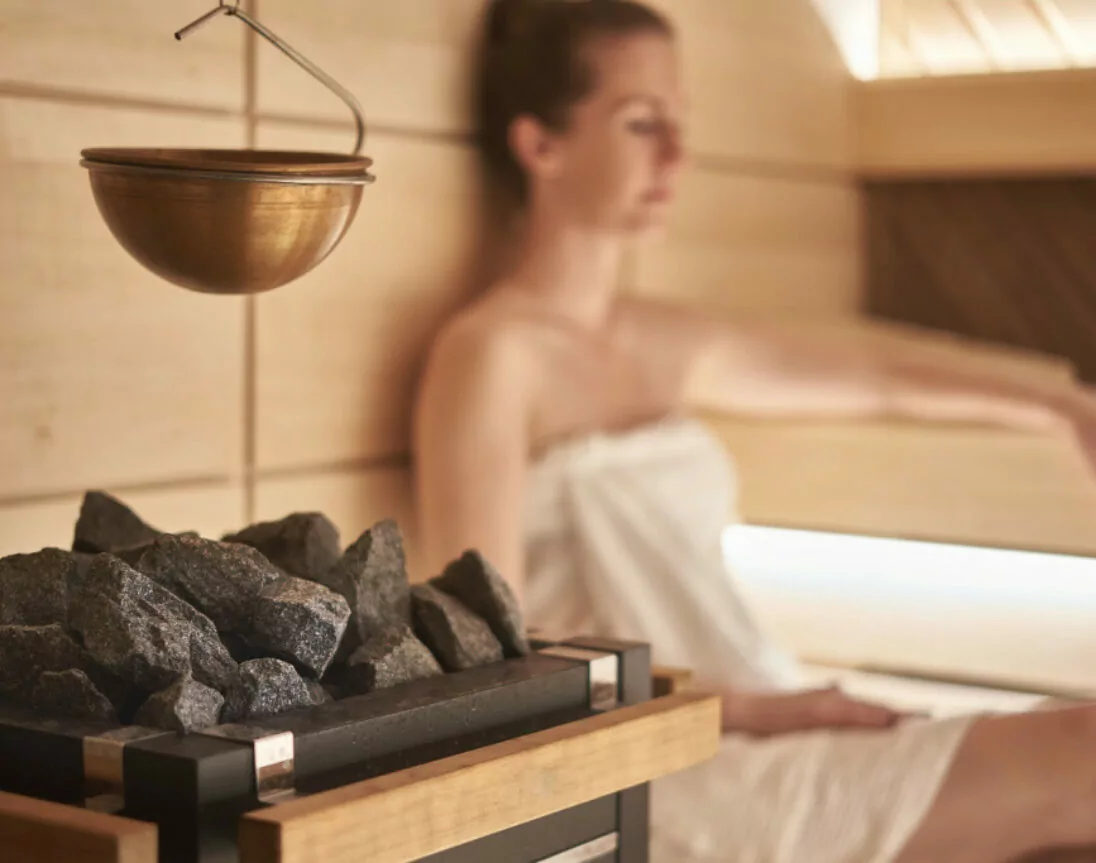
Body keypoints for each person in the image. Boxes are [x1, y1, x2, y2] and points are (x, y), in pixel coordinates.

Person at [412, 1, 1096, 860]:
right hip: (652, 762)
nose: (676, 157)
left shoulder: (664, 337)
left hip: (766, 710)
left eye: (682, 126)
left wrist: (1062, 405)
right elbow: (491, 665)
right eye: (640, 123)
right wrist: (756, 711)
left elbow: (873, 378)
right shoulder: (491, 356)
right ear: (540, 145)